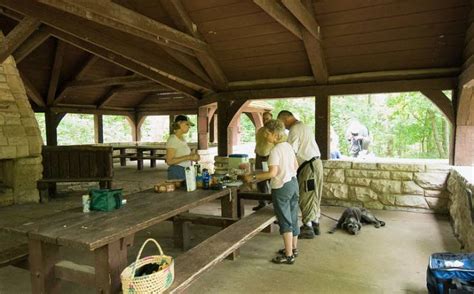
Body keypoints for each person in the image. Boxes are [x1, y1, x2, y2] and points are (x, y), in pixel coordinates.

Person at [243, 119, 299, 264]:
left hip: (281, 187)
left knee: (284, 220)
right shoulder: (288, 146)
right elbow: (296, 165)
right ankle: (293, 248)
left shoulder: (275, 151)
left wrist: (253, 176)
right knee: (293, 216)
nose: (265, 136)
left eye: (267, 133)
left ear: (274, 134)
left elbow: (272, 173)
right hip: (293, 183)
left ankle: (288, 255)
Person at [277, 110, 323, 239]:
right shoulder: (304, 126)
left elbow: (291, 151)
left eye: (282, 123)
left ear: (285, 119)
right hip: (314, 164)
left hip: (309, 166)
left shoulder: (295, 129)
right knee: (314, 194)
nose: (283, 127)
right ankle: (315, 223)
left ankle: (307, 227)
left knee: (307, 195)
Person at [165, 115, 200, 181]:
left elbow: (183, 156)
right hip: (176, 171)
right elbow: (169, 161)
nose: (189, 126)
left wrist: (192, 156)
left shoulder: (183, 139)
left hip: (185, 170)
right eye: (187, 124)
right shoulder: (173, 139)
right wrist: (189, 157)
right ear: (179, 123)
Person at [253, 111, 273, 211]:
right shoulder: (260, 130)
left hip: (269, 157)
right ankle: (262, 202)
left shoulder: (274, 131)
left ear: (271, 119)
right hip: (259, 157)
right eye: (264, 119)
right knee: (260, 180)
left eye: (267, 118)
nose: (265, 120)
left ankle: (273, 203)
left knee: (271, 180)